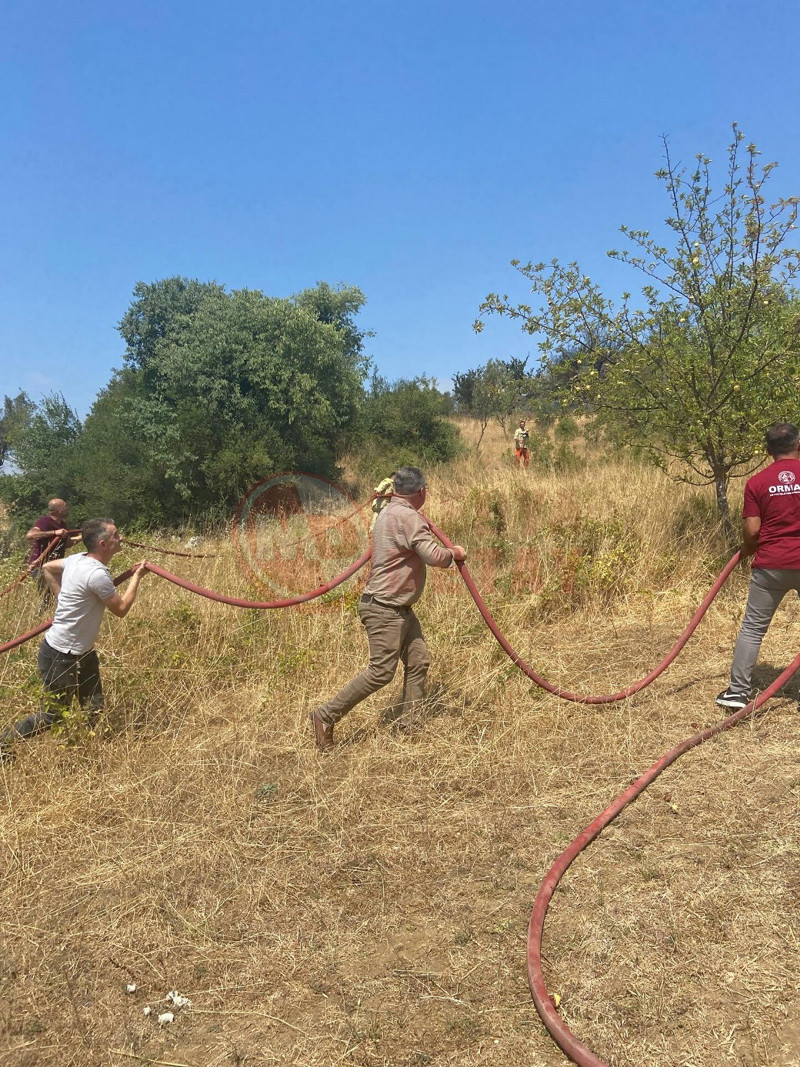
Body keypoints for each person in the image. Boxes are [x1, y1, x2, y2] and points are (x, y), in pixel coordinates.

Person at [310, 466, 467, 750]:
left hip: (400, 608)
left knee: (418, 661)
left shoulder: (389, 512)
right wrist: (454, 553)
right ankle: (325, 715)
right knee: (381, 672)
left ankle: (410, 726)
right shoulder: (407, 516)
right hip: (385, 609)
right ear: (421, 491)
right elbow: (433, 556)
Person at [0, 518, 149, 754]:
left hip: (82, 652)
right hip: (61, 655)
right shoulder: (96, 575)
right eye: (116, 535)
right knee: (54, 715)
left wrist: (61, 597)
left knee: (94, 706)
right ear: (103, 543)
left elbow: (48, 567)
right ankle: (4, 743)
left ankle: (85, 748)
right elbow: (120, 609)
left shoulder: (77, 560)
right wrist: (137, 578)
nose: (121, 538)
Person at [716, 422, 800, 709]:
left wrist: (749, 550)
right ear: (798, 445)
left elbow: (752, 531)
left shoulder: (757, 482)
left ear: (768, 451)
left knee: (752, 629)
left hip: (771, 566)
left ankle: (738, 693)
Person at [25, 499, 79, 602]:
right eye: (65, 507)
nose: (67, 509)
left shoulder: (62, 524)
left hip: (55, 566)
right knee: (47, 598)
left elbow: (66, 544)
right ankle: (43, 617)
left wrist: (81, 538)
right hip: (41, 565)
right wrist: (54, 532)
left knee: (59, 597)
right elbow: (30, 535)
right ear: (59, 510)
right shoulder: (45, 521)